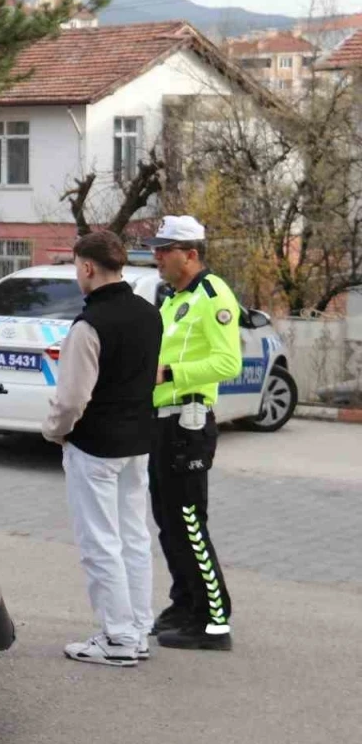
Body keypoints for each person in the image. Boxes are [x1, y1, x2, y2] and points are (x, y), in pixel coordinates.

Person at [43, 232, 162, 667]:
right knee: (133, 537)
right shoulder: (150, 315)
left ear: (89, 267)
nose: (78, 274)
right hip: (137, 443)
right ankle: (138, 630)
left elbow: (72, 400)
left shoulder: (88, 326)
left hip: (95, 446)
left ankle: (117, 637)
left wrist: (53, 432)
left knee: (100, 543)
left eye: (77, 266)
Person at [144, 215, 242, 651]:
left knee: (189, 523)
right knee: (168, 523)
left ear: (190, 254)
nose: (157, 256)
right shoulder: (173, 299)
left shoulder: (212, 295)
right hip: (162, 422)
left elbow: (228, 362)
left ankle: (214, 622)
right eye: (157, 249)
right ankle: (185, 604)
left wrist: (171, 372)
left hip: (189, 423)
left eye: (165, 250)